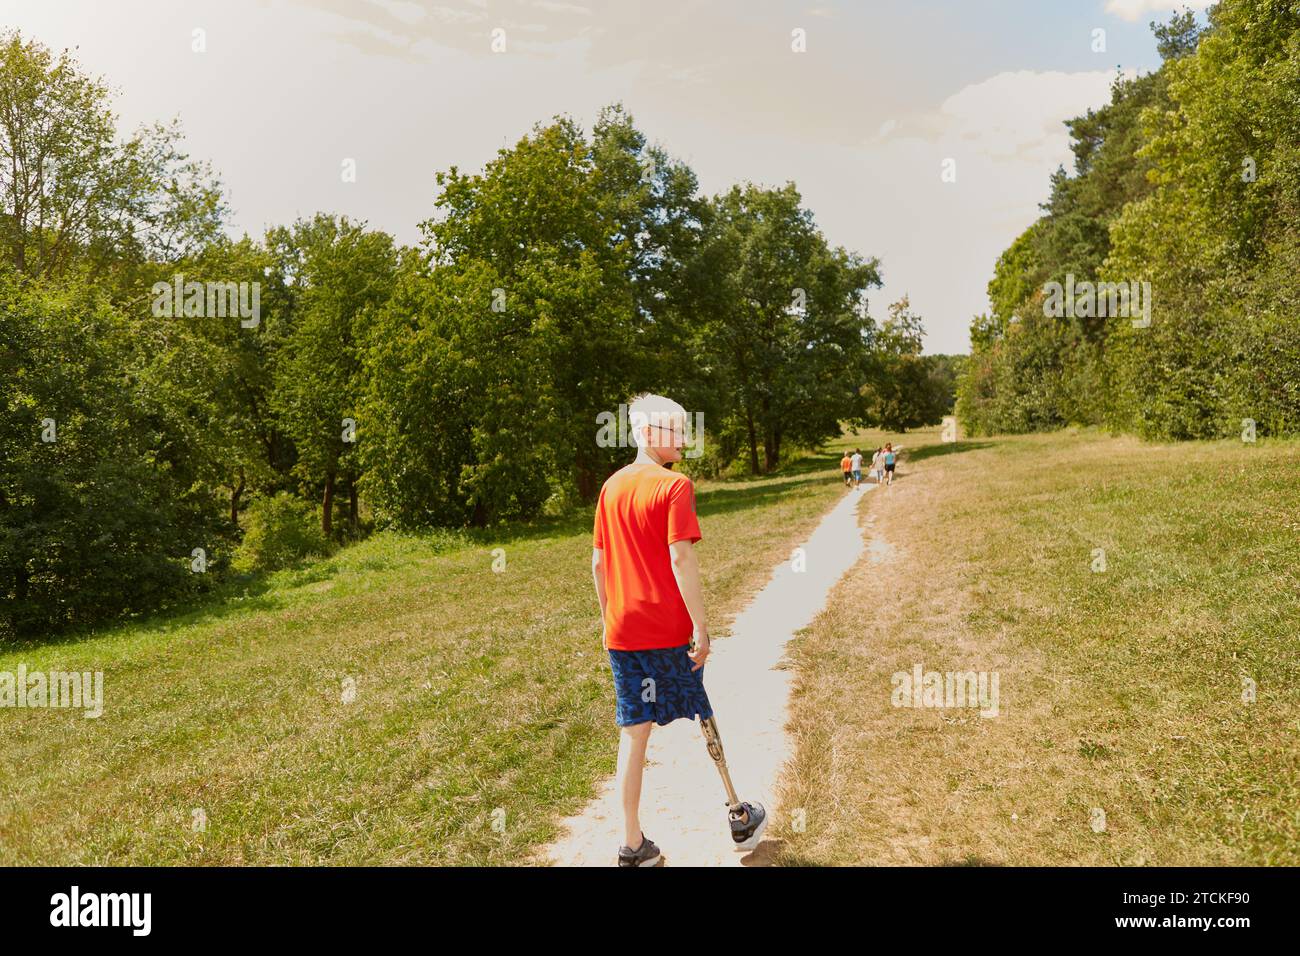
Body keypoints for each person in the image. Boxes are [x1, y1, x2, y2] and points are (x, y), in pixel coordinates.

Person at [592, 392, 767, 867]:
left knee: (633, 733)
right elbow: (680, 557)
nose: (685, 439)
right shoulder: (674, 486)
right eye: (675, 430)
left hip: (623, 632)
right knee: (701, 711)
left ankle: (632, 845)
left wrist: (610, 616)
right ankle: (738, 812)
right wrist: (701, 626)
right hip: (668, 629)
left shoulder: (610, 488)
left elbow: (599, 564)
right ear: (649, 434)